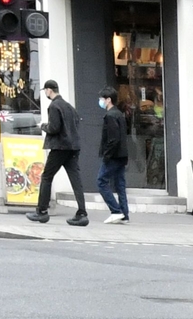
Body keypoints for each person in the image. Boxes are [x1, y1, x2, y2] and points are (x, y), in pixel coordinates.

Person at [31, 80, 88, 226]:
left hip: (59, 147)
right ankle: (82, 213)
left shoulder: (54, 106)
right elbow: (75, 124)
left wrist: (43, 126)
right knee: (76, 179)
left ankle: (42, 211)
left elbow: (54, 128)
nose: (45, 93)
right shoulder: (69, 107)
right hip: (73, 147)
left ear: (50, 90)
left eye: (45, 90)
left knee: (47, 176)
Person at [95, 94, 130, 225]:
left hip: (113, 156)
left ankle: (116, 211)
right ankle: (124, 214)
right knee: (120, 184)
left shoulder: (110, 116)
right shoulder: (119, 114)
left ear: (108, 99)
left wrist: (107, 155)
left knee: (101, 181)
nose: (100, 101)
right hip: (121, 155)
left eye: (102, 98)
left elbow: (113, 139)